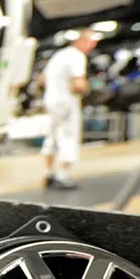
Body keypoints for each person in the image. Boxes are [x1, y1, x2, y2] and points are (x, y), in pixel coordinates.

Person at [39, 29, 99, 190]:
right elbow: (78, 83)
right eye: (91, 44)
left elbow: (42, 80)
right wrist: (88, 90)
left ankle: (48, 173)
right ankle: (62, 176)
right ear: (83, 41)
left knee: (51, 136)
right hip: (66, 102)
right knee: (68, 136)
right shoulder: (77, 56)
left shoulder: (59, 55)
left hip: (51, 101)